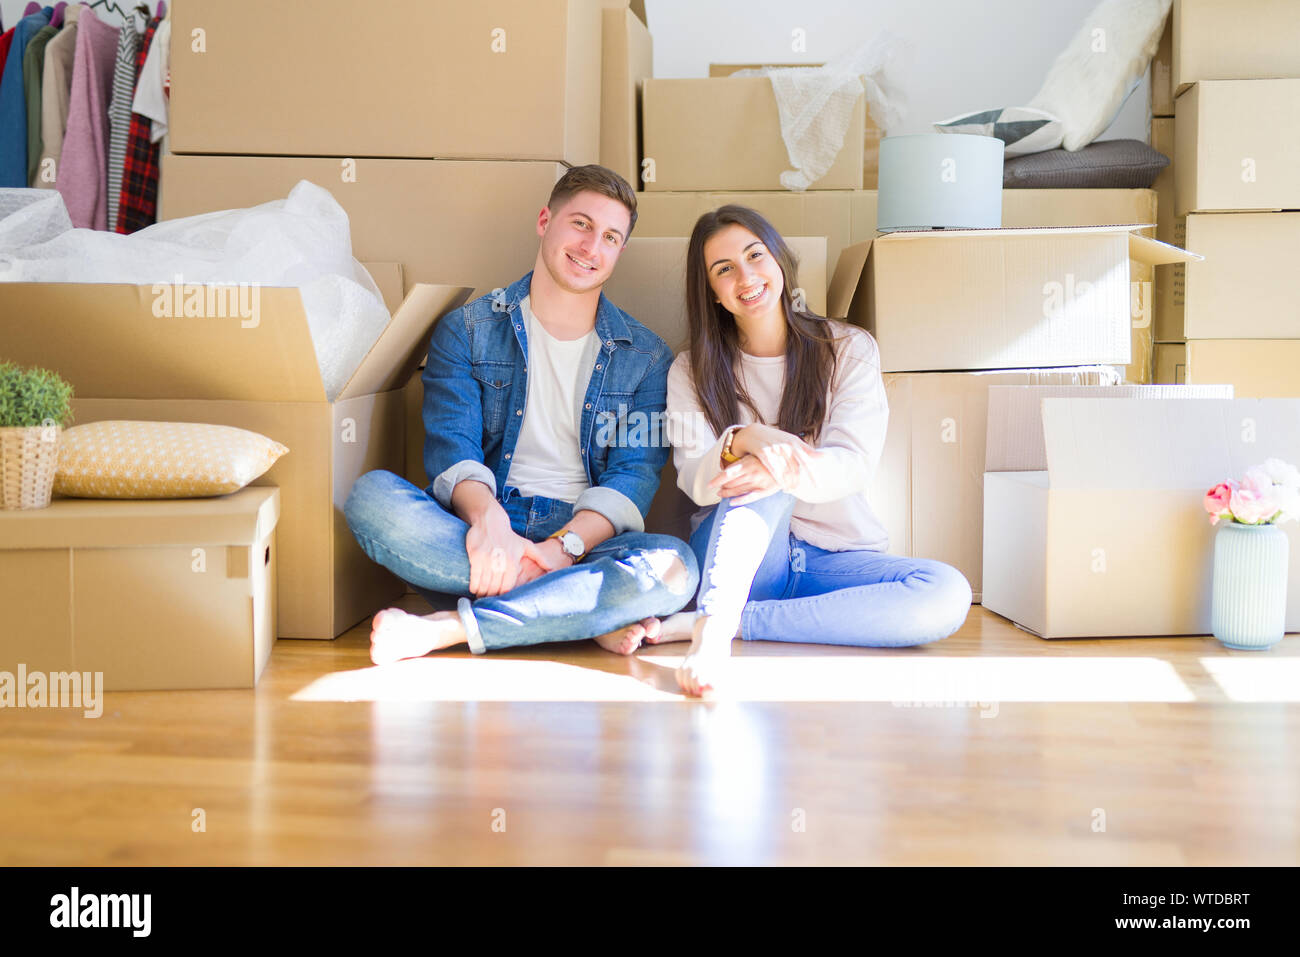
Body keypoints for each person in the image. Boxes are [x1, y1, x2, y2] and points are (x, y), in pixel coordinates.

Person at [344, 165, 698, 664]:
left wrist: (563, 550)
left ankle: (450, 627)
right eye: (580, 224)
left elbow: (633, 476)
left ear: (620, 251)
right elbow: (453, 449)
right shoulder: (466, 329)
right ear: (544, 221)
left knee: (676, 566)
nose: (591, 246)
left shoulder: (646, 357)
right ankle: (577, 613)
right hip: (483, 524)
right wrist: (490, 525)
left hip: (583, 536)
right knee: (372, 500)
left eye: (610, 237)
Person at [651, 205, 973, 696]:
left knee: (947, 594)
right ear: (712, 293)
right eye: (724, 269)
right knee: (764, 467)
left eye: (755, 255)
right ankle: (713, 629)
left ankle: (738, 623)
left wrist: (781, 463)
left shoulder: (848, 348)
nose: (746, 276)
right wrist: (746, 441)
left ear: (778, 259)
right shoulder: (690, 369)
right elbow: (693, 478)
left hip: (831, 561)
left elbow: (852, 465)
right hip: (739, 562)